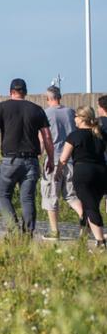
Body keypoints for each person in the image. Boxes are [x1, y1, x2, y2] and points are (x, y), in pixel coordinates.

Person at [0, 78, 54, 234]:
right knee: (27, 198)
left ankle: (13, 229)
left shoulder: (2, 107)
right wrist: (51, 159)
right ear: (25, 92)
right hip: (31, 160)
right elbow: (47, 137)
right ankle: (28, 233)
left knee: (3, 195)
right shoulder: (37, 109)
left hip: (10, 160)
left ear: (11, 92)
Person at [57, 106, 107, 248]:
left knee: (91, 207)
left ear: (81, 118)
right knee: (89, 205)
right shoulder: (101, 134)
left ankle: (101, 242)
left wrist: (58, 172)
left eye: (76, 117)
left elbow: (64, 159)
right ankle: (82, 239)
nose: (74, 119)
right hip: (101, 172)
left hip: (83, 173)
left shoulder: (74, 136)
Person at [40, 86, 81, 239]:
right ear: (60, 96)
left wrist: (39, 156)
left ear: (48, 98)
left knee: (51, 195)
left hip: (54, 159)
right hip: (71, 160)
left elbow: (42, 139)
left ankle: (54, 231)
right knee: (71, 195)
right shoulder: (71, 112)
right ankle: (85, 217)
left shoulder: (45, 113)